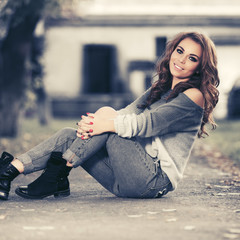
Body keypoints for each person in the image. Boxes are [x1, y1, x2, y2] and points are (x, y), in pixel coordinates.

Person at [0, 31, 220, 200]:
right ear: (172, 51)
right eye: (179, 51)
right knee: (72, 133)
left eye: (192, 58)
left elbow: (146, 124)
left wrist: (102, 123)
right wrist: (93, 124)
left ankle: (56, 175)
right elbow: (127, 113)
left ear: (200, 67)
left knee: (112, 125)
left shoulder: (194, 96)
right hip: (122, 178)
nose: (181, 60)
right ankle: (9, 172)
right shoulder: (160, 87)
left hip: (152, 181)